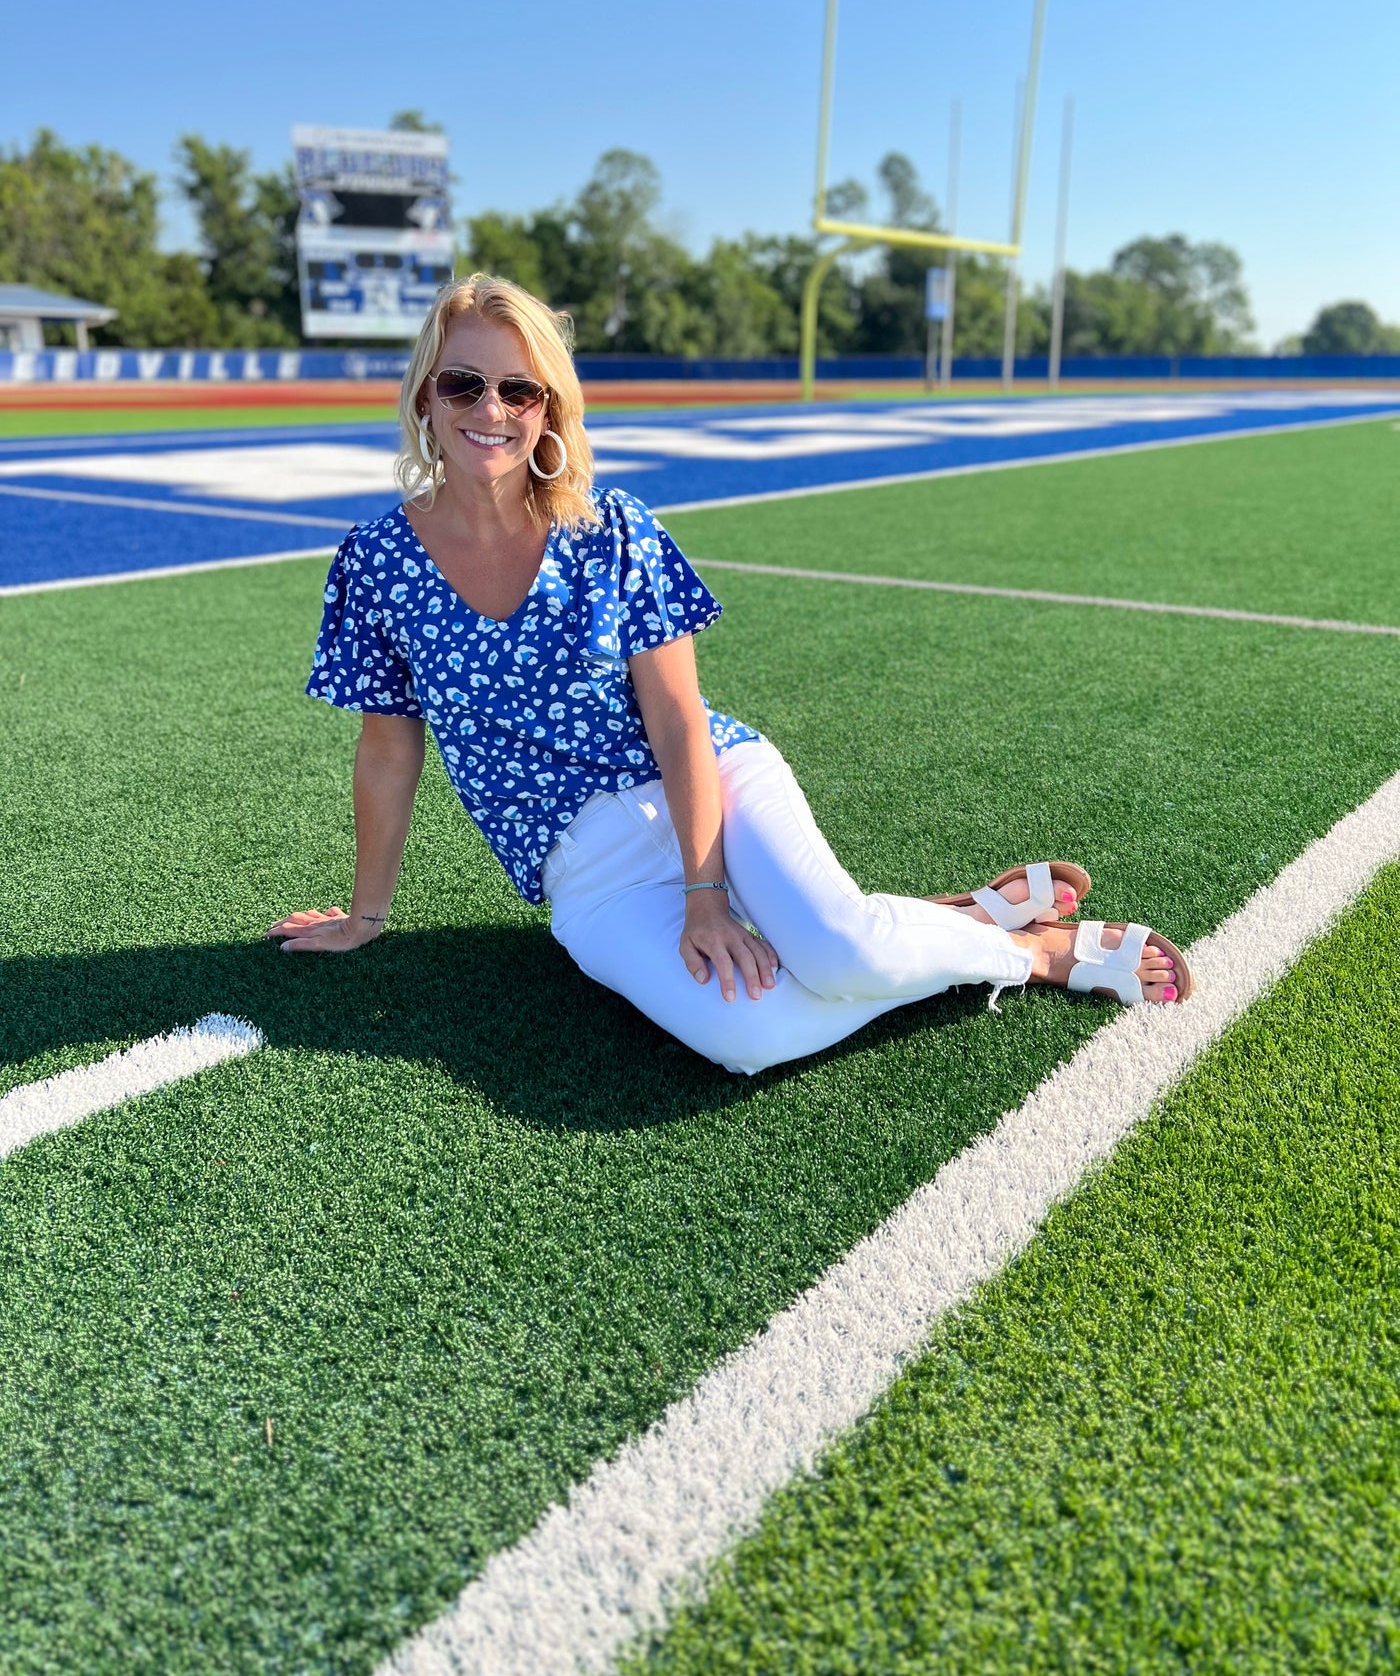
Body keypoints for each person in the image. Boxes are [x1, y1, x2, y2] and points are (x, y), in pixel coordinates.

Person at [266, 275, 1191, 1076]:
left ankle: (1032, 954)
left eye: (521, 389)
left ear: (551, 408)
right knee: (757, 1034)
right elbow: (389, 748)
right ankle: (937, 922)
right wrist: (367, 913)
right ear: (426, 395)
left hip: (712, 782)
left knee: (839, 947)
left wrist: (707, 894)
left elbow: (677, 720)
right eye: (464, 383)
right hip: (589, 873)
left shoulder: (613, 527)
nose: (491, 410)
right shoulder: (375, 561)